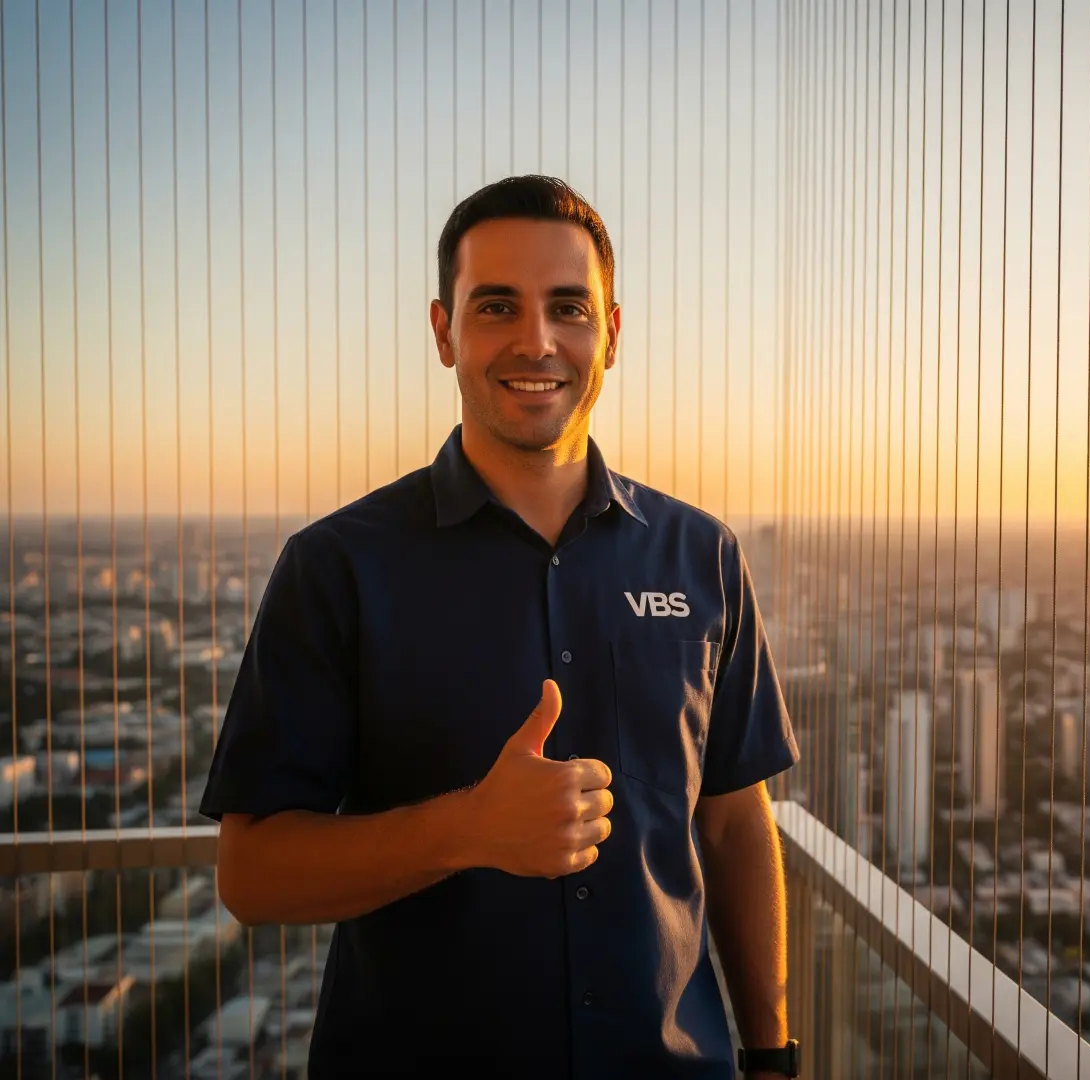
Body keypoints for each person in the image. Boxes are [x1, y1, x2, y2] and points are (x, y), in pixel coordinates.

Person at [201, 176, 802, 1078]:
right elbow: (251, 877)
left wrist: (774, 1056)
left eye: (568, 307)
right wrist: (468, 831)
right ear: (443, 332)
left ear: (611, 332)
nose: (537, 341)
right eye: (496, 306)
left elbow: (731, 822)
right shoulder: (337, 567)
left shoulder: (701, 556)